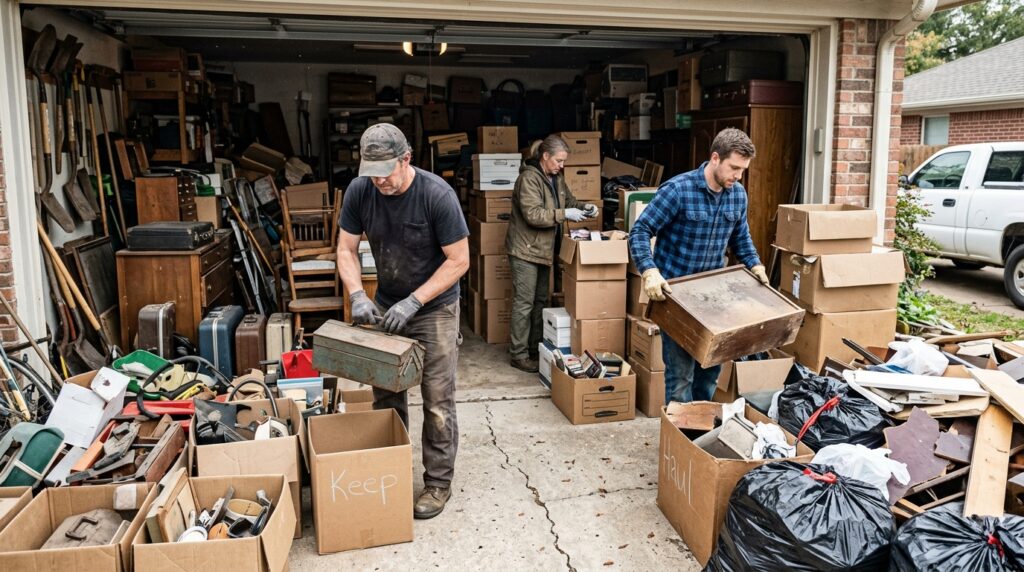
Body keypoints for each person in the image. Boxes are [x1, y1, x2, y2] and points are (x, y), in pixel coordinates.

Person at [336, 123, 469, 519]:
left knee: (437, 398)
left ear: (406, 159)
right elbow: (345, 249)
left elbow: (459, 260)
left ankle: (438, 483)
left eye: (386, 172)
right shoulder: (360, 191)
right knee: (386, 394)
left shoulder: (436, 195)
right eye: (371, 173)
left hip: (434, 308)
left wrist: (414, 301)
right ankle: (390, 470)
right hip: (387, 303)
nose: (379, 181)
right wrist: (357, 295)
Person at [628, 128, 769, 403]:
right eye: (734, 168)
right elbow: (640, 230)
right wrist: (649, 270)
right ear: (715, 158)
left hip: (714, 298)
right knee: (681, 377)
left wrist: (755, 265)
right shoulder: (678, 190)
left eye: (743, 170)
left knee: (709, 373)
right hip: (676, 299)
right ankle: (678, 430)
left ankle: (698, 428)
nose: (738, 176)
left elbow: (740, 238)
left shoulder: (737, 195)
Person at [505, 134, 598, 373]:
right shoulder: (528, 179)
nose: (562, 165)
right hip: (525, 250)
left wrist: (585, 207)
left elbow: (570, 202)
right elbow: (533, 215)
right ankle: (518, 354)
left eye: (563, 161)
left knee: (540, 301)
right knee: (524, 303)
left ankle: (535, 348)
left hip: (544, 250)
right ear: (545, 156)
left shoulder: (556, 178)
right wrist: (564, 214)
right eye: (558, 160)